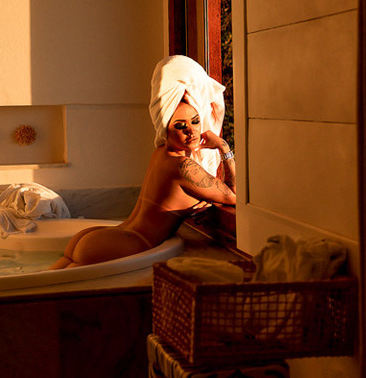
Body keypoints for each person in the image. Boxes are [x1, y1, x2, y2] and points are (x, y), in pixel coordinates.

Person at [50, 57, 236, 269]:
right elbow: (234, 196)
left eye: (195, 121)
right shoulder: (185, 167)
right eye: (180, 126)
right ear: (165, 129)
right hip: (124, 243)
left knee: (43, 284)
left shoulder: (161, 154)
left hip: (104, 237)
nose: (191, 131)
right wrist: (223, 147)